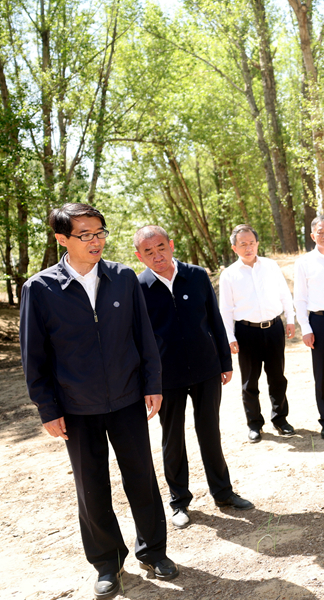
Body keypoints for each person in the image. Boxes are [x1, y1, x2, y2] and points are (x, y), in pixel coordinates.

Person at [19, 204, 178, 600]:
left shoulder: (123, 277)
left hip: (127, 399)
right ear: (62, 239)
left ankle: (153, 551)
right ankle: (108, 562)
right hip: (75, 407)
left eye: (100, 232)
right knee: (91, 488)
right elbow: (33, 355)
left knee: (141, 476)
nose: (96, 241)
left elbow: (143, 336)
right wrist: (47, 407)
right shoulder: (39, 289)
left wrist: (152, 383)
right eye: (85, 235)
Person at [134, 226, 254, 530]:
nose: (157, 255)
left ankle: (223, 493)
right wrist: (148, 382)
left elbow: (214, 318)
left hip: (206, 370)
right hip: (166, 378)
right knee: (172, 439)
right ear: (139, 256)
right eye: (148, 252)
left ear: (171, 245)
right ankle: (179, 502)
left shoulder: (197, 275)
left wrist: (225, 361)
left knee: (209, 432)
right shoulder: (138, 287)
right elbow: (138, 339)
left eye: (161, 247)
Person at [219, 224, 297, 442]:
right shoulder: (229, 275)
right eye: (242, 244)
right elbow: (224, 310)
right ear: (234, 248)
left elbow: (284, 294)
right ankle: (254, 424)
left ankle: (280, 419)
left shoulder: (271, 266)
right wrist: (230, 337)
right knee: (249, 382)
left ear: (257, 244)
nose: (248, 247)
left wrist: (290, 319)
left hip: (274, 328)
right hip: (246, 332)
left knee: (277, 377)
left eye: (251, 243)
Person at [293, 215, 324, 440]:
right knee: (321, 374)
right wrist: (306, 327)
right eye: (320, 232)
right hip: (318, 321)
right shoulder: (304, 262)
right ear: (313, 235)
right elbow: (300, 298)